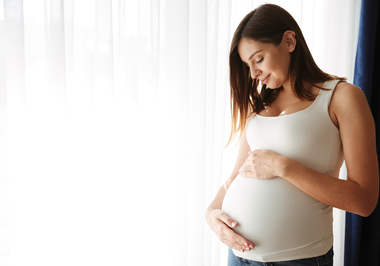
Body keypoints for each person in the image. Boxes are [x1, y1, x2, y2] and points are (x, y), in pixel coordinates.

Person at [205, 4, 379, 266]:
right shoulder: (260, 106)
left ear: (288, 41)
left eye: (259, 59)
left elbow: (364, 200)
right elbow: (236, 175)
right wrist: (211, 214)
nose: (253, 74)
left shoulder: (342, 97)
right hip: (238, 257)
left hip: (299, 260)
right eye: (247, 65)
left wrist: (283, 166)